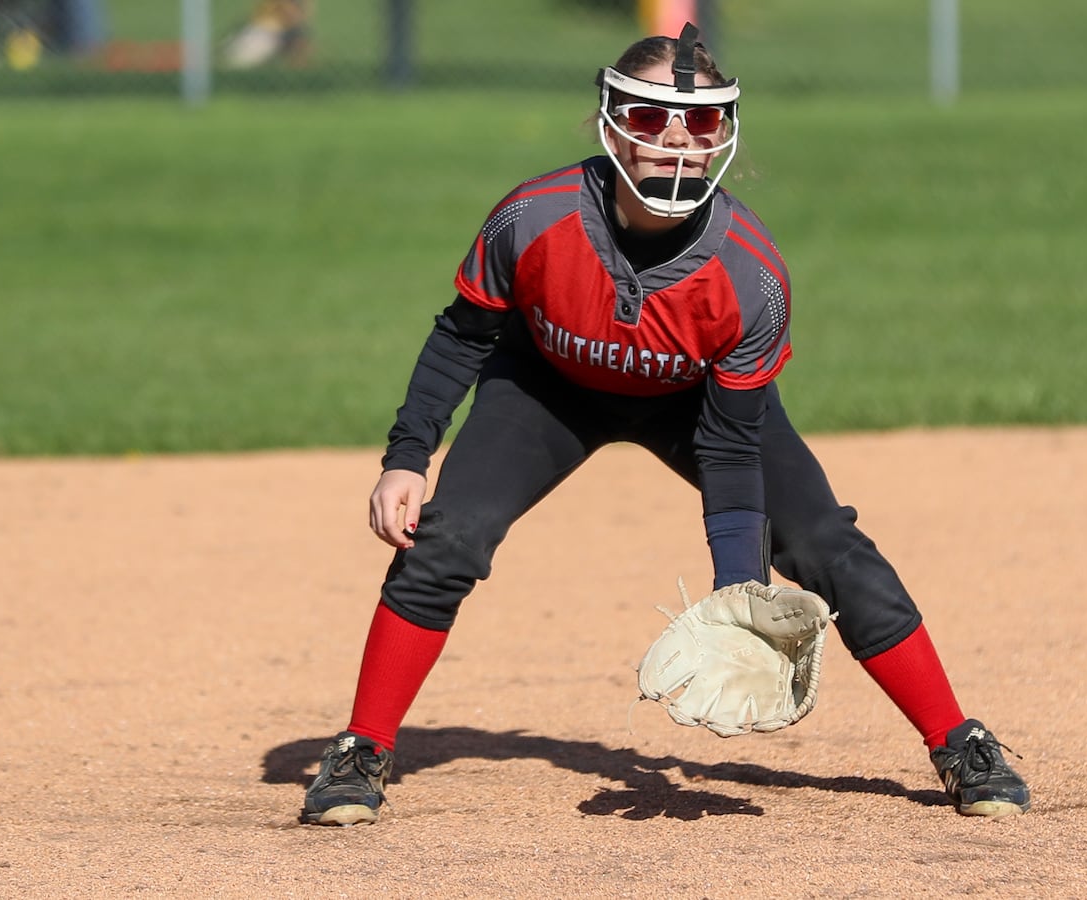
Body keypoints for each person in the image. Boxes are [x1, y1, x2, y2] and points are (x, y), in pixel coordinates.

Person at [301, 23, 1032, 826]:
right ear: (612, 121)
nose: (676, 144)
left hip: (696, 405)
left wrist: (737, 588)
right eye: (651, 121)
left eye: (700, 125)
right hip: (546, 386)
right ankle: (361, 749)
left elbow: (731, 443)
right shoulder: (530, 218)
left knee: (825, 543)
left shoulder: (750, 274)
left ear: (725, 133)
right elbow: (463, 336)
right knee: (449, 535)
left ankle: (959, 742)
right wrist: (407, 456)